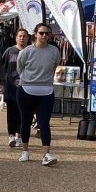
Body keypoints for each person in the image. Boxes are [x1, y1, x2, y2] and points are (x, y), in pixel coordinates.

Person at [16, 22, 61, 166]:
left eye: (47, 33)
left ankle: (46, 153)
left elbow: (54, 66)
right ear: (35, 34)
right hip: (26, 89)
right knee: (26, 120)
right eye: (41, 33)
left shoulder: (54, 51)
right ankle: (25, 150)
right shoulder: (26, 51)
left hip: (46, 90)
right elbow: (20, 68)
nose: (44, 36)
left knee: (44, 123)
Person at [1, 28, 30, 147]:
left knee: (23, 113)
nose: (22, 38)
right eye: (20, 36)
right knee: (11, 112)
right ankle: (11, 135)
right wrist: (1, 83)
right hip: (11, 87)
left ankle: (19, 135)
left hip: (26, 87)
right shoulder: (9, 51)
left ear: (28, 38)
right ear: (16, 37)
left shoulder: (30, 51)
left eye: (24, 36)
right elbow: (3, 66)